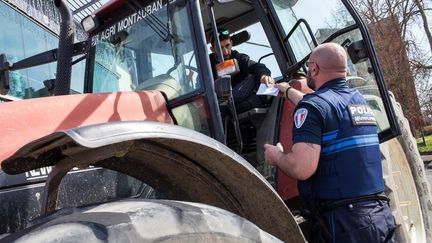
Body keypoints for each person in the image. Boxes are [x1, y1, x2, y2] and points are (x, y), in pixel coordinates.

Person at [264, 43, 396, 242]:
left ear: (314, 68)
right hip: (379, 216)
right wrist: (288, 91)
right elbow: (323, 108)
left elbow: (301, 168)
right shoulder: (359, 101)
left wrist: (276, 156)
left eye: (309, 66)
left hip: (343, 223)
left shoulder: (313, 108)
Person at [209, 29, 275, 114]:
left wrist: (264, 75)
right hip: (218, 103)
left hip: (240, 97)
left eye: (227, 45)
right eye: (220, 48)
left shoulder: (239, 58)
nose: (225, 52)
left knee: (258, 79)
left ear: (231, 43)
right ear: (213, 49)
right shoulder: (207, 67)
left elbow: (256, 67)